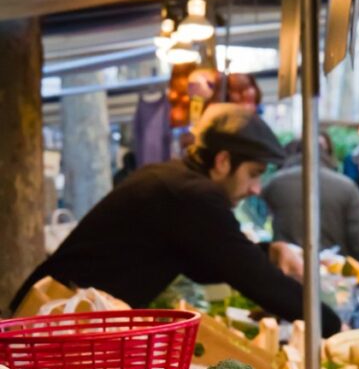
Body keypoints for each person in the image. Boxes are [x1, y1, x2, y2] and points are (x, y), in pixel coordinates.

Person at [12, 104, 341, 336]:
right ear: (224, 161)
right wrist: (332, 325)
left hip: (57, 317)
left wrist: (270, 251)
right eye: (253, 174)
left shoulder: (175, 181)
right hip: (47, 321)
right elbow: (255, 280)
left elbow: (205, 262)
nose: (256, 188)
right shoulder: (191, 195)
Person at [262, 140, 359, 259]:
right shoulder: (346, 186)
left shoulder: (275, 183)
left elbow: (260, 218)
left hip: (287, 262)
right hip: (333, 266)